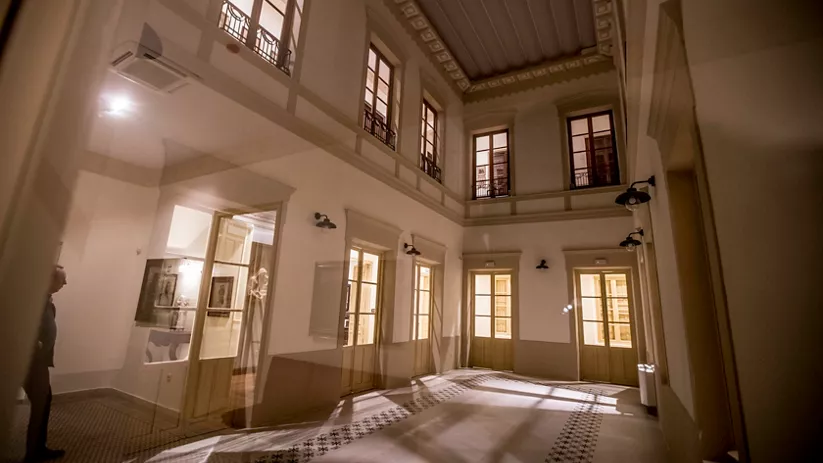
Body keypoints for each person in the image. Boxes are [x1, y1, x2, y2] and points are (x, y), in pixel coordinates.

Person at [23, 266, 67, 462]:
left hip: (40, 361)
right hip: (33, 362)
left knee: (45, 403)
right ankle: (33, 453)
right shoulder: (33, 300)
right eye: (61, 280)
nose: (64, 284)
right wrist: (34, 343)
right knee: (41, 405)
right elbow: (22, 325)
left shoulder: (48, 302)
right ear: (49, 279)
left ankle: (39, 448)